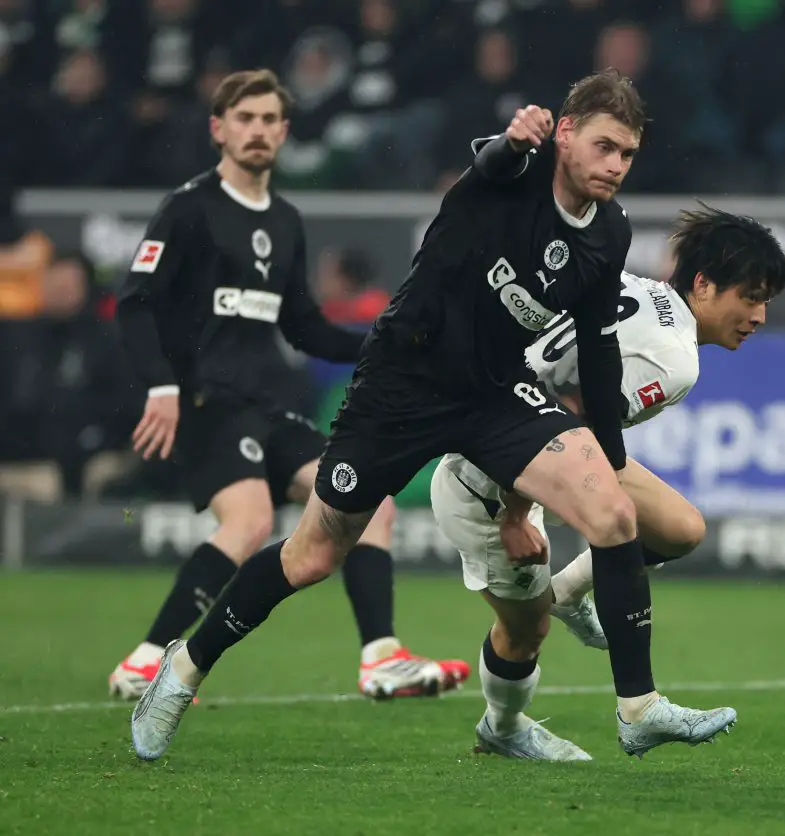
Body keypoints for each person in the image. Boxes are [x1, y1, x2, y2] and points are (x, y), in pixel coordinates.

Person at [130, 68, 735, 762]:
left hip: (493, 391)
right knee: (313, 554)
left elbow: (598, 349)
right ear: (564, 134)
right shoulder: (515, 171)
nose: (615, 167)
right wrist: (514, 141)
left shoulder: (610, 231)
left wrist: (607, 457)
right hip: (403, 383)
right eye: (604, 147)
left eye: (627, 155)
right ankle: (183, 668)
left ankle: (639, 707)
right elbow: (490, 162)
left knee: (614, 514)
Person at [112, 69, 467, 706]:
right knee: (248, 521)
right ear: (218, 129)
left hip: (269, 406)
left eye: (270, 119)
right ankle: (144, 660)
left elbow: (302, 327)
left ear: (285, 132)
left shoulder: (284, 220)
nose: (258, 130)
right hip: (206, 402)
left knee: (370, 507)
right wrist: (160, 387)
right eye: (244, 118)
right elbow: (135, 303)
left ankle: (381, 658)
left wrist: (388, 347)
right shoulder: (189, 208)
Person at [433, 205, 785, 760]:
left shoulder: (636, 287)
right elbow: (555, 416)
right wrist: (510, 514)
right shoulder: (674, 360)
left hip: (542, 447)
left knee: (680, 528)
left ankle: (571, 593)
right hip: (485, 477)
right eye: (750, 296)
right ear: (703, 283)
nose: (760, 315)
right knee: (524, 633)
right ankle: (502, 729)